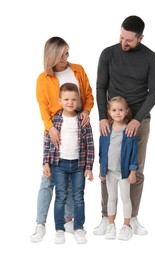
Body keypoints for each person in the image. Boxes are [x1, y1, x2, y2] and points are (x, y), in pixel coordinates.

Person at [94, 15, 155, 236]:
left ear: (140, 37)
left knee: (135, 170)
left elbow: (154, 94)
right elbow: (101, 85)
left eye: (129, 40)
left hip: (138, 122)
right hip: (111, 122)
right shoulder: (108, 54)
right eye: (121, 37)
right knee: (107, 168)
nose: (124, 42)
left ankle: (131, 219)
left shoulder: (152, 58)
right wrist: (103, 116)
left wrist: (136, 119)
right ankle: (107, 217)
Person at [31, 36, 94, 243]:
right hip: (54, 131)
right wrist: (50, 129)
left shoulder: (78, 70)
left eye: (67, 53)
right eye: (61, 55)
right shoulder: (43, 78)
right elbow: (42, 107)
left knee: (71, 176)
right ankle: (40, 223)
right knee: (48, 179)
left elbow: (88, 95)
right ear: (52, 57)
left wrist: (86, 110)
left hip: (76, 129)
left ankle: (69, 220)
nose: (66, 58)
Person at [43, 83, 94, 244]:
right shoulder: (55, 120)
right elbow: (47, 143)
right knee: (61, 196)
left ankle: (79, 228)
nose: (70, 102)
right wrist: (46, 163)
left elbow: (90, 144)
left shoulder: (83, 120)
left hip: (79, 166)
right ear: (59, 100)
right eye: (66, 99)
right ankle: (59, 229)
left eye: (73, 99)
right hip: (60, 165)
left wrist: (89, 167)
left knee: (78, 197)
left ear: (78, 100)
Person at [100, 96, 138, 241]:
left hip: (124, 173)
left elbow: (134, 154)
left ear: (126, 111)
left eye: (121, 110)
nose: (117, 113)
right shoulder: (106, 130)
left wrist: (133, 172)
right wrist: (101, 170)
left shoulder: (129, 131)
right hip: (109, 172)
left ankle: (126, 225)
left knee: (125, 198)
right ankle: (110, 225)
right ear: (109, 112)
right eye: (114, 110)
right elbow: (102, 152)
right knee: (111, 198)